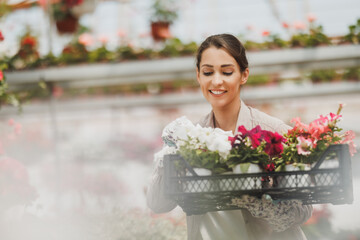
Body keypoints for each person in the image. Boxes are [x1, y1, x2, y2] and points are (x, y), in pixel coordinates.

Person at [146, 33, 313, 240]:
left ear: (244, 75)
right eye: (208, 72)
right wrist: (168, 155)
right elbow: (159, 204)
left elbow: (303, 210)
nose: (217, 81)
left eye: (227, 72)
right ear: (198, 76)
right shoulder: (190, 136)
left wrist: (256, 200)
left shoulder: (274, 132)